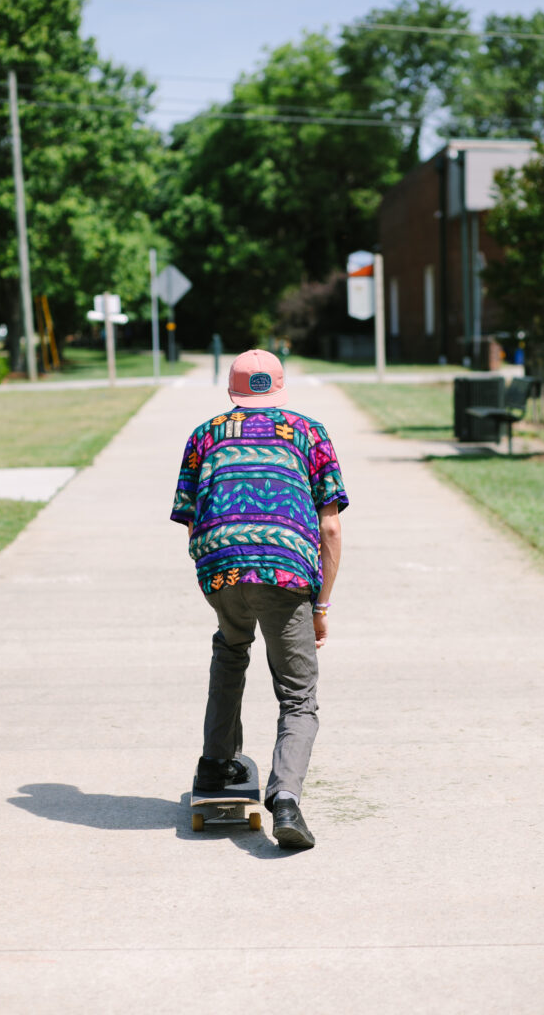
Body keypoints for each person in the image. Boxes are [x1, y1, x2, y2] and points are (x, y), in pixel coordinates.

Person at [170, 349, 348, 849]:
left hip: (221, 565)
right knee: (297, 695)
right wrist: (321, 605)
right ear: (279, 390)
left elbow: (188, 517)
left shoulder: (205, 435)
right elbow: (330, 526)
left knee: (231, 648)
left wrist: (219, 570)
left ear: (234, 391)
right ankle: (286, 799)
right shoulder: (309, 433)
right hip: (286, 571)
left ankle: (214, 761)